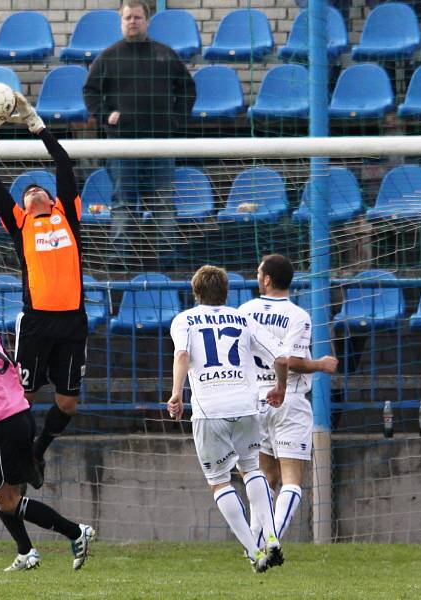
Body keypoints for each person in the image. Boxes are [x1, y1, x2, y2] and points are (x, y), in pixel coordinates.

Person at [0, 288, 96, 572]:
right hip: (21, 415)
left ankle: (76, 532)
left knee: (8, 500)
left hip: (5, 424)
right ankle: (26, 552)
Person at [0, 92, 86, 489]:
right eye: (27, 193)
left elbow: (63, 163)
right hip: (38, 322)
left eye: (39, 190)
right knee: (18, 397)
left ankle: (38, 451)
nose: (33, 193)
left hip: (74, 322)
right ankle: (9, 460)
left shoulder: (68, 215)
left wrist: (36, 124)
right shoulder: (21, 225)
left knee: (68, 403)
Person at [167, 265, 289, 573]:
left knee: (219, 482)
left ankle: (253, 551)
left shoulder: (184, 320)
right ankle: (272, 537)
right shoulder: (243, 318)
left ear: (196, 293)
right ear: (227, 292)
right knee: (251, 469)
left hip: (210, 409)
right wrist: (280, 387)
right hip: (246, 406)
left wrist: (177, 394)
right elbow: (280, 356)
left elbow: (182, 356)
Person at [83, 0, 196, 270]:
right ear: (121, 22)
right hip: (122, 145)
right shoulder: (109, 57)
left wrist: (176, 119)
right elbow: (90, 92)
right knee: (123, 203)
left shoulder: (165, 54)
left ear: (147, 21)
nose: (132, 21)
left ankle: (170, 262)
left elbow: (187, 89)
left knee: (164, 203)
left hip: (160, 143)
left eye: (137, 17)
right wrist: (104, 115)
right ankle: (118, 263)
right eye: (127, 18)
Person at [238, 254, 338, 545]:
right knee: (292, 479)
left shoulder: (244, 311)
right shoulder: (297, 315)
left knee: (264, 477)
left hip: (253, 399)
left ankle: (255, 545)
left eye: (259, 272)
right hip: (287, 399)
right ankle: (269, 542)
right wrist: (320, 364)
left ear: (267, 279)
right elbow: (291, 360)